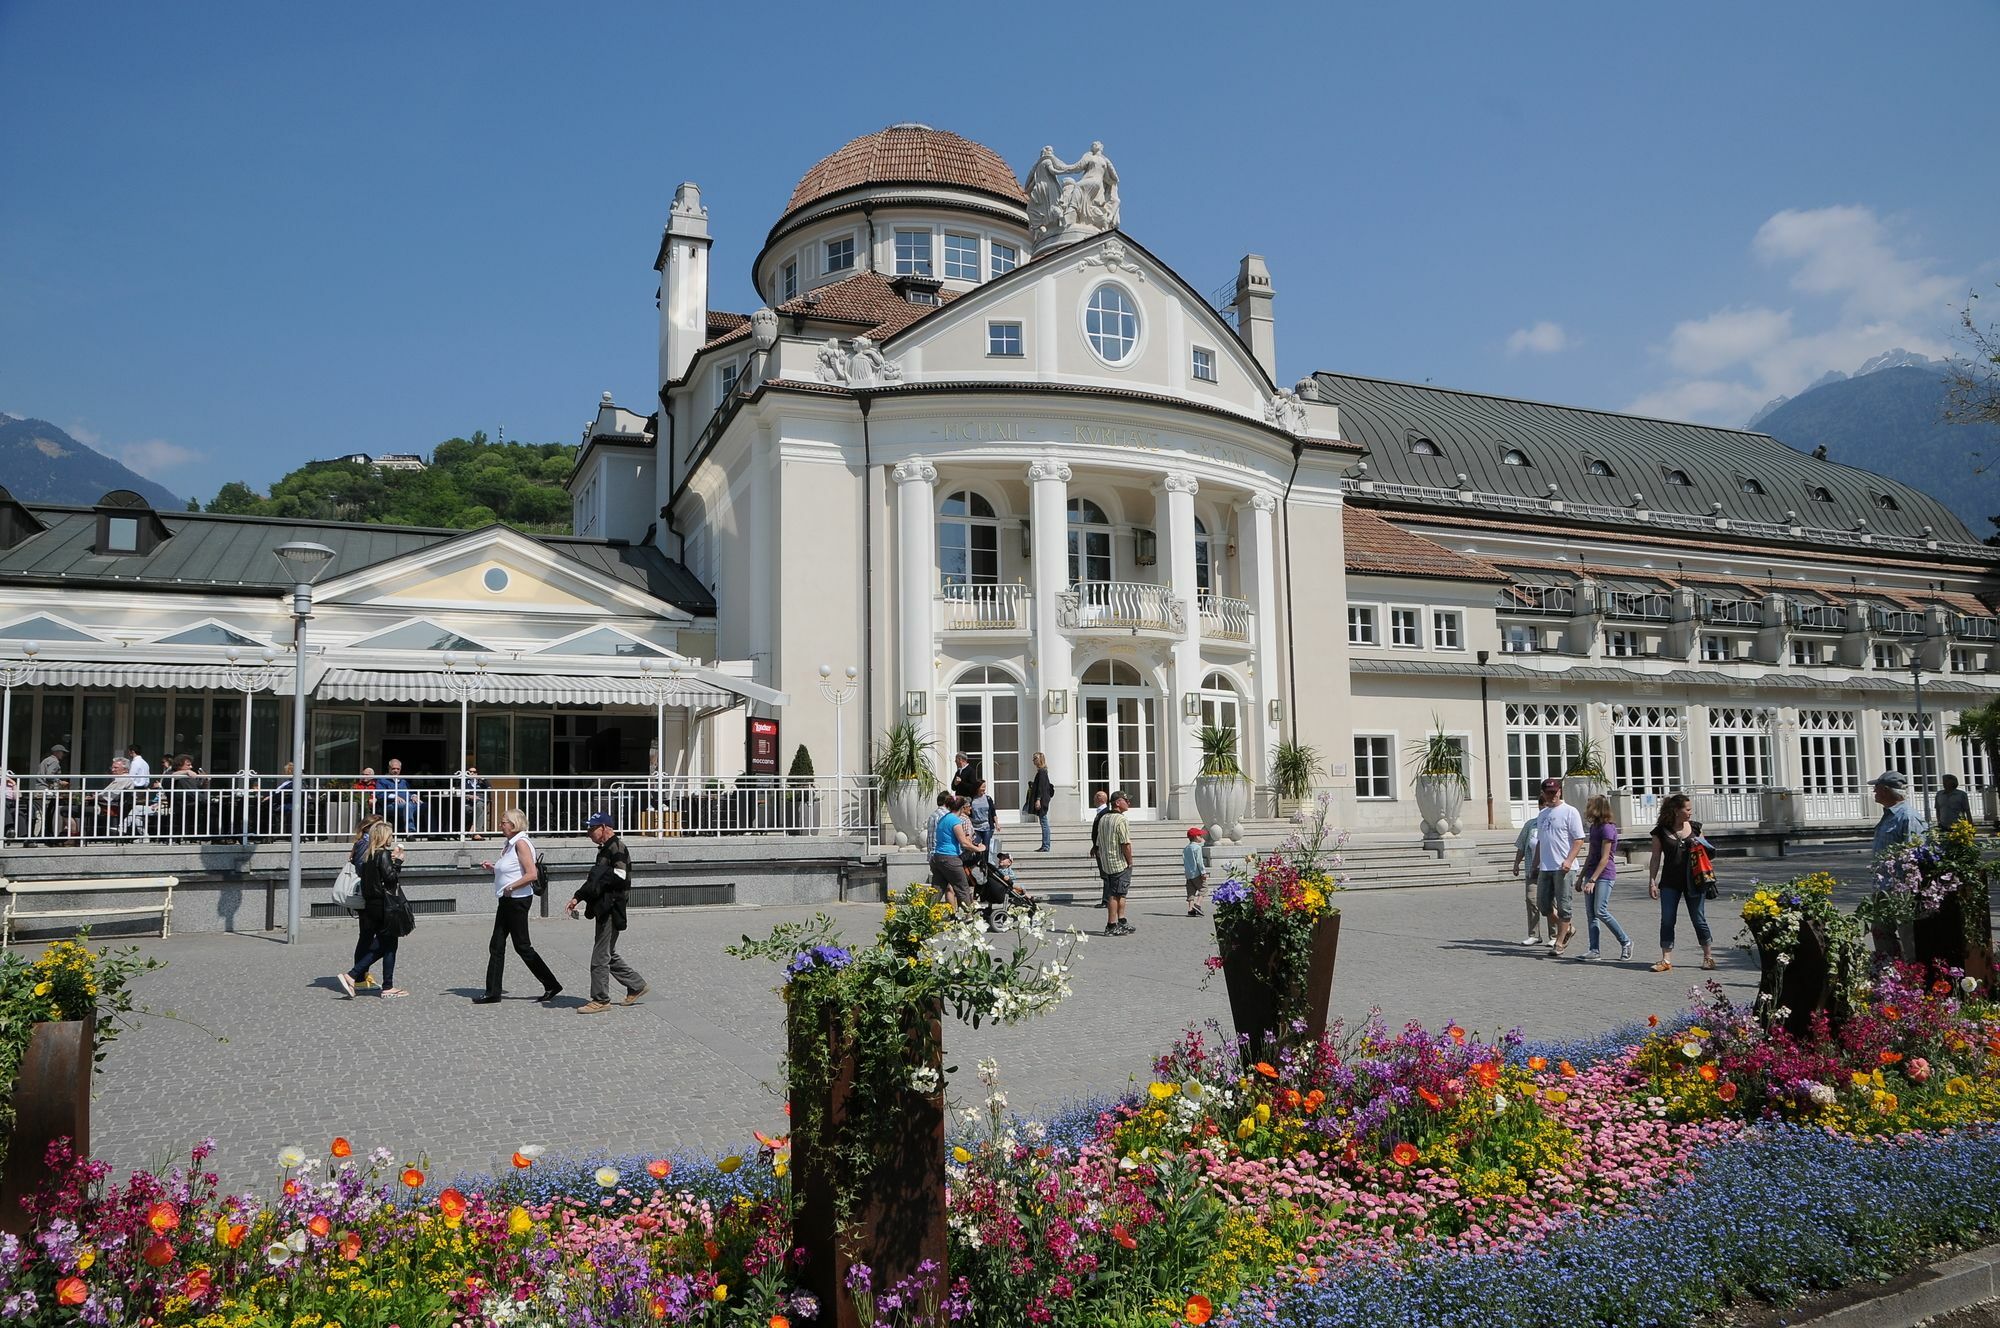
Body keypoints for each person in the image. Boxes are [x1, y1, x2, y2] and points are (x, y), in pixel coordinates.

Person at [475, 807, 563, 1004]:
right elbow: (510, 870)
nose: (500, 825)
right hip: (507, 900)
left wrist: (511, 887)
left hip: (517, 900)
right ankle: (493, 992)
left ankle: (551, 984)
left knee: (522, 946)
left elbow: (531, 874)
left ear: (514, 825)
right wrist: (493, 869)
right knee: (496, 945)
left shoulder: (521, 843)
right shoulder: (509, 843)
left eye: (503, 822)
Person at [568, 811, 648, 1014]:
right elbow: (595, 881)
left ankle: (601, 999)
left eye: (591, 828)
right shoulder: (604, 849)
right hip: (603, 906)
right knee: (607, 954)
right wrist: (579, 896)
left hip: (612, 907)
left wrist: (598, 877)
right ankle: (637, 985)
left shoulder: (617, 847)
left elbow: (620, 876)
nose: (588, 833)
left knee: (599, 957)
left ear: (604, 828)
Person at [337, 820, 408, 999]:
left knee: (389, 945)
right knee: (386, 944)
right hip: (384, 905)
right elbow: (390, 879)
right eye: (390, 835)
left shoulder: (369, 854)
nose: (392, 838)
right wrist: (398, 862)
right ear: (384, 836)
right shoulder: (382, 854)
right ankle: (353, 974)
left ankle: (387, 986)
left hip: (371, 904)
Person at [1646, 792, 1715, 973]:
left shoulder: (1696, 828)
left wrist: (1701, 846)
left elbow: (1708, 854)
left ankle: (1708, 957)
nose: (1690, 812)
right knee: (1667, 920)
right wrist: (1652, 881)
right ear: (1677, 810)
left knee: (1698, 919)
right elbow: (1655, 858)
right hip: (1669, 882)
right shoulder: (1660, 831)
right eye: (1687, 809)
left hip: (1695, 881)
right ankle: (1666, 959)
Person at [1578, 794, 1632, 962]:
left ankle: (1626, 941)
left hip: (1604, 874)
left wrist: (1593, 880)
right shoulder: (1594, 827)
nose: (1587, 809)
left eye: (1589, 805)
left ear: (1597, 807)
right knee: (1591, 914)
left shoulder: (1608, 828)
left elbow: (1604, 858)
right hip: (1591, 873)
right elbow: (1591, 855)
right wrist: (1581, 876)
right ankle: (1594, 950)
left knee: (1600, 910)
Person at [1534, 777, 1583, 954]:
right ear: (1543, 793)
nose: (1552, 796)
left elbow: (1578, 840)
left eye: (1554, 792)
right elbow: (1541, 841)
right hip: (1546, 866)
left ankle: (1559, 942)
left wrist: (1569, 860)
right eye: (1548, 793)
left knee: (1564, 905)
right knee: (1543, 904)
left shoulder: (1570, 811)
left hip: (1564, 867)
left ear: (1560, 791)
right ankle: (1568, 928)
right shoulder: (1542, 814)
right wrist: (1536, 863)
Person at [1094, 789, 1134, 936]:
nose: (1128, 803)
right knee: (1115, 895)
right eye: (1126, 800)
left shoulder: (1103, 818)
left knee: (1120, 893)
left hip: (1107, 861)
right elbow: (1125, 843)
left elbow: (1098, 842)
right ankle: (1111, 925)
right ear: (1118, 803)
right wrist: (1129, 861)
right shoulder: (1121, 820)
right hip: (1118, 862)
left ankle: (1121, 921)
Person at [928, 793, 979, 909]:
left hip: (937, 857)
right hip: (950, 858)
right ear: (961, 808)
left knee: (937, 889)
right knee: (962, 888)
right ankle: (968, 917)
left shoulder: (943, 818)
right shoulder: (955, 821)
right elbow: (964, 842)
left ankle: (925, 915)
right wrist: (978, 848)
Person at [1511, 789, 1547, 944]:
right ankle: (1534, 934)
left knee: (1549, 903)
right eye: (1542, 806)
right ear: (1539, 807)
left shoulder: (1553, 824)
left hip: (1548, 869)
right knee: (1531, 899)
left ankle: (1554, 936)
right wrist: (1516, 863)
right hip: (1532, 869)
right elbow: (1522, 845)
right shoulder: (1530, 825)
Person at [1870, 770, 1926, 855]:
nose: (1874, 791)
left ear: (1885, 790)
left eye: (1876, 787)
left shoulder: (1908, 817)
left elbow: (1914, 854)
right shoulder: (1890, 813)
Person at [376, 758, 421, 833]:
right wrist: (394, 796)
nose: (396, 771)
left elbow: (409, 792)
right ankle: (410, 832)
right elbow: (379, 795)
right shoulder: (382, 780)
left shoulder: (403, 781)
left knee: (427, 806)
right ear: (389, 768)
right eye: (393, 768)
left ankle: (433, 834)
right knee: (408, 806)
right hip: (390, 805)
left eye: (398, 769)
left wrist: (413, 796)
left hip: (407, 804)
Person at [1023, 752, 1055, 852]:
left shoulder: (1041, 772)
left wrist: (1038, 799)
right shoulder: (1043, 771)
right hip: (1044, 799)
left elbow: (1041, 787)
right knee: (1043, 822)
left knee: (1044, 823)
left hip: (1042, 800)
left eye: (1035, 759)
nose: (1033, 761)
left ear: (1039, 760)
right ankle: (1045, 845)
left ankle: (1046, 845)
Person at [966, 778, 998, 861]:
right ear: (977, 787)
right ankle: (977, 862)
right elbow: (966, 812)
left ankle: (985, 863)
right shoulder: (971, 799)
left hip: (987, 826)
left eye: (985, 787)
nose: (984, 789)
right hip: (975, 827)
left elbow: (993, 812)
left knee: (986, 847)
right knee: (976, 845)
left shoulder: (988, 799)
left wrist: (997, 824)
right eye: (982, 787)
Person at [1183, 827, 1208, 918]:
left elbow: (1185, 861)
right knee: (1204, 888)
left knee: (1191, 891)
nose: (1201, 837)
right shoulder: (1197, 848)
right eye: (1200, 835)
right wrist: (1203, 872)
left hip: (1189, 874)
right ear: (1195, 837)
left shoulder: (1186, 848)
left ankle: (1190, 910)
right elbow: (1199, 861)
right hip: (1197, 873)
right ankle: (1197, 904)